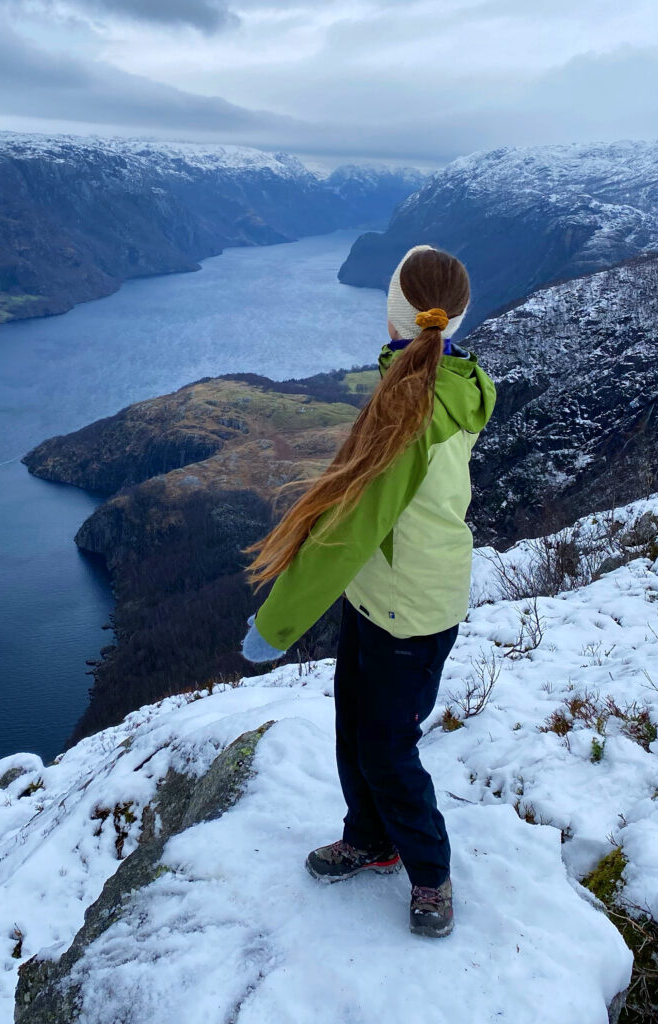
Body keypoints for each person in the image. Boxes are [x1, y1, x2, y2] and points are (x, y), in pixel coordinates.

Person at [239, 244, 495, 938]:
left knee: (387, 748)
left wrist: (277, 624)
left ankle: (430, 875)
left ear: (393, 316)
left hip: (409, 606)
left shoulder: (411, 413)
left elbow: (347, 531)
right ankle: (370, 838)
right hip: (383, 592)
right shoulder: (445, 378)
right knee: (355, 729)